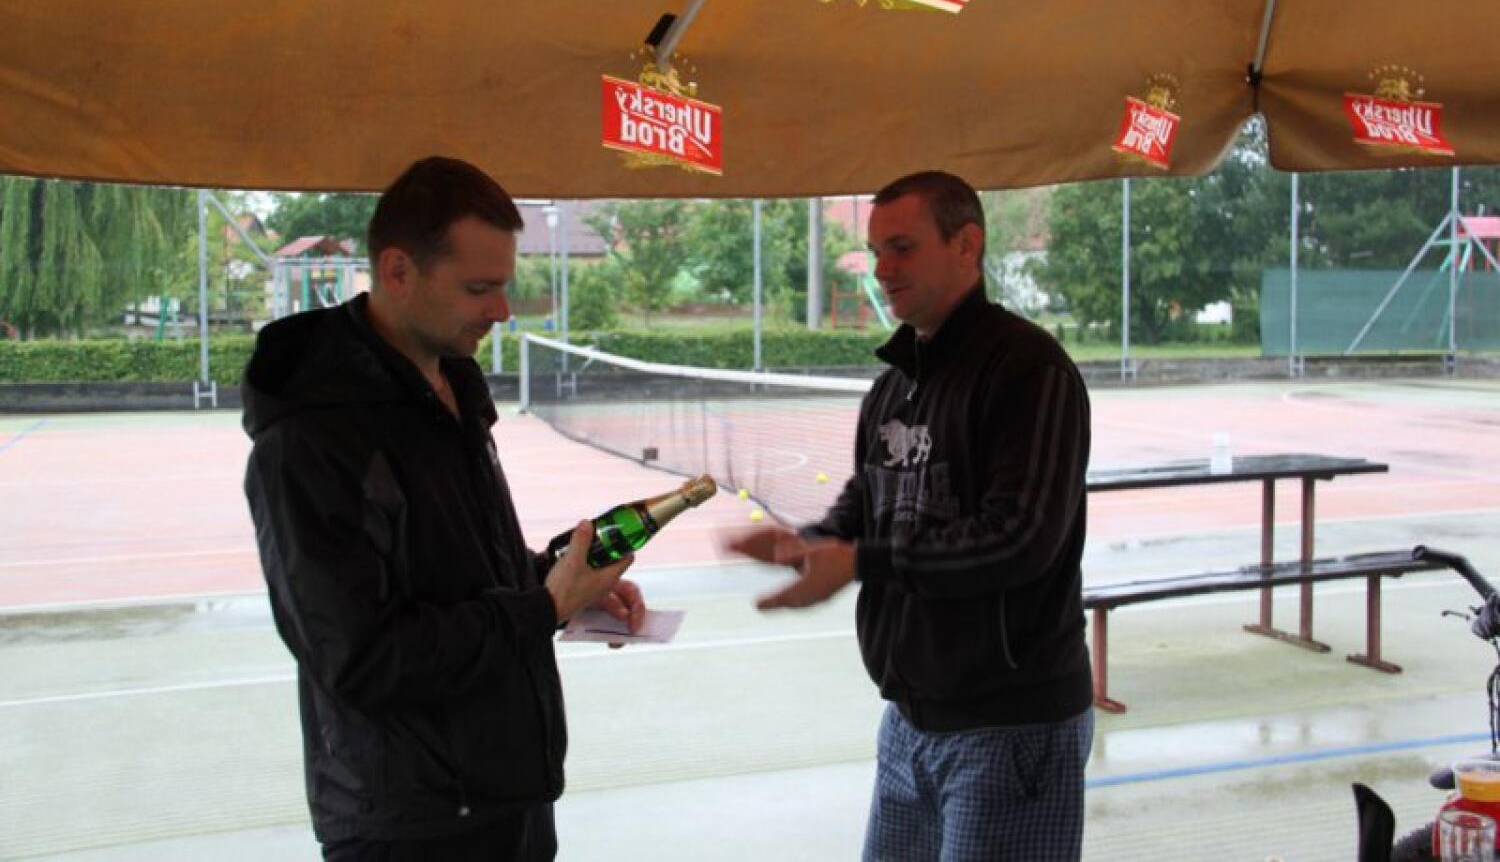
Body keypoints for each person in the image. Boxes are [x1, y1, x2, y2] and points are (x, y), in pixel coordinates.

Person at [242, 156, 644, 861]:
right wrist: (541, 607)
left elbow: (460, 571)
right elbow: (362, 657)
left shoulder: (452, 388)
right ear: (398, 271)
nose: (502, 310)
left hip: (507, 799)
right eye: (479, 288)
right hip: (410, 827)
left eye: (504, 285)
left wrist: (566, 583)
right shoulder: (312, 440)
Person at [729, 170, 1094, 861]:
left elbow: (1020, 538)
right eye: (876, 252)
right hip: (907, 721)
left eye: (902, 247)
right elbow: (870, 498)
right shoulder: (893, 386)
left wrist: (860, 561)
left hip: (1012, 726)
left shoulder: (1029, 371)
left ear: (967, 245)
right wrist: (812, 542)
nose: (882, 270)